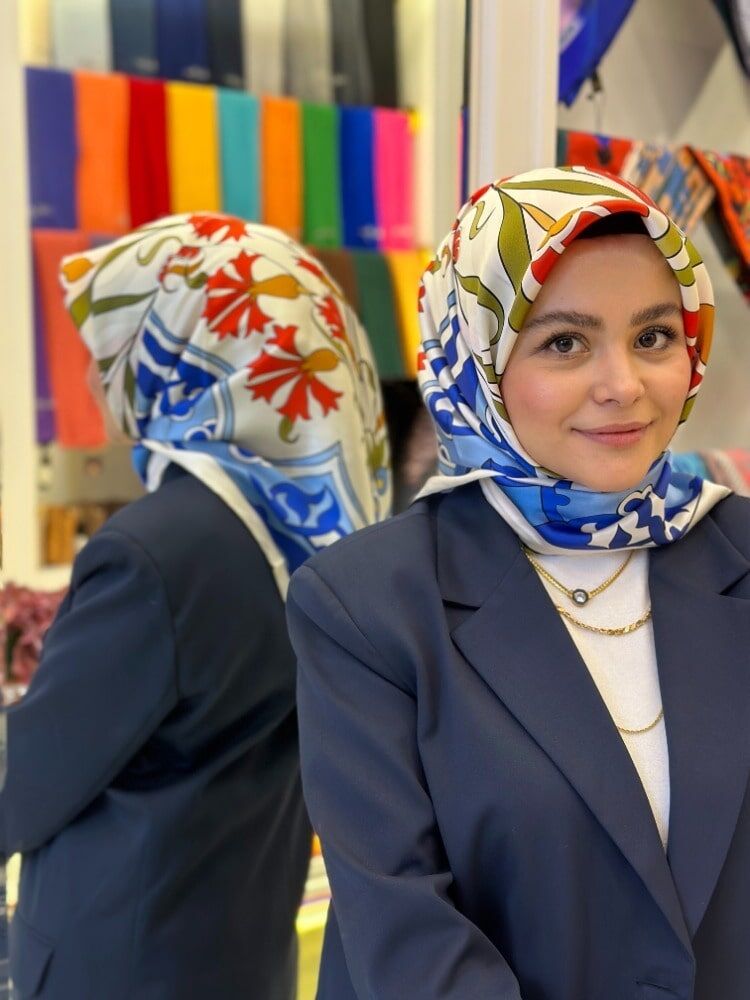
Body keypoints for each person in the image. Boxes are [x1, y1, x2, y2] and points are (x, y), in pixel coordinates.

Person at [286, 166, 750, 1000]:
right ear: (477, 366)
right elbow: (408, 938)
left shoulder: (737, 548)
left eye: (653, 336)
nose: (624, 385)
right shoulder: (369, 605)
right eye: (565, 343)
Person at [4, 213, 391, 1000]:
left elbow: (30, 781)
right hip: (236, 955)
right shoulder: (313, 533)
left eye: (113, 349)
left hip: (117, 967)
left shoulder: (156, 552)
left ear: (178, 353)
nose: (95, 378)